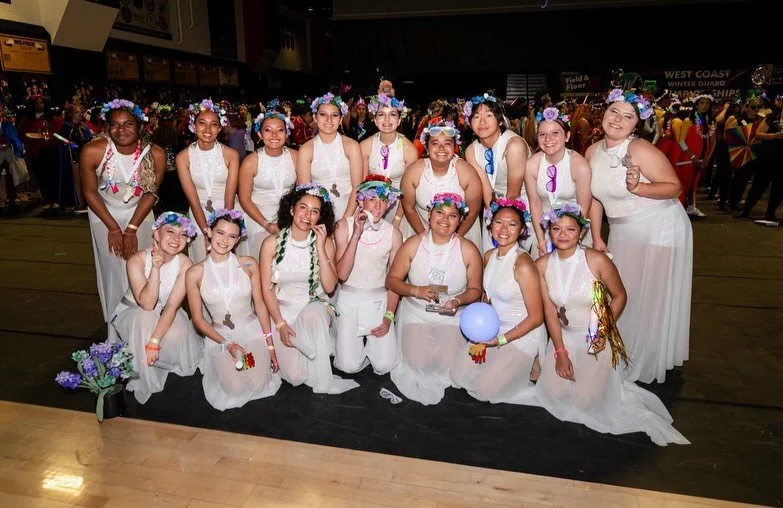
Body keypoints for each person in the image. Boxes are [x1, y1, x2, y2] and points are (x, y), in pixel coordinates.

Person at [533, 206, 689, 446]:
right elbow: (549, 313)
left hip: (595, 339)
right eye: (556, 229)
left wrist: (602, 331)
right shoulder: (542, 265)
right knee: (554, 395)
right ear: (549, 231)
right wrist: (560, 352)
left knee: (585, 402)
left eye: (570, 229)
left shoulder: (596, 260)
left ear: (582, 231)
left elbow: (620, 296)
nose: (563, 235)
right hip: (564, 338)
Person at [587, 88, 692, 384]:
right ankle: (625, 350)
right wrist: (597, 236)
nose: (618, 120)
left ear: (637, 123)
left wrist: (639, 189)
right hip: (622, 231)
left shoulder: (641, 150)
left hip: (659, 228)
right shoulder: (593, 151)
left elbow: (674, 187)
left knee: (651, 295)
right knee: (624, 292)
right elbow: (595, 200)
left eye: (627, 116)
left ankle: (649, 358)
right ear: (603, 114)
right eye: (613, 112)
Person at [259, 184, 359, 394]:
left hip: (314, 307)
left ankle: (318, 343)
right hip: (283, 311)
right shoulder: (270, 244)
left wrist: (321, 248)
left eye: (314, 211)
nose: (308, 215)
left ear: (320, 217)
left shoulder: (325, 243)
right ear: (292, 209)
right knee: (295, 377)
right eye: (303, 208)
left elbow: (330, 287)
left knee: (313, 313)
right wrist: (280, 324)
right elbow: (266, 290)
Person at [387, 193, 483, 405]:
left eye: (452, 215)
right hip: (417, 315)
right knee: (416, 366)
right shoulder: (413, 243)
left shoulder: (468, 249)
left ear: (459, 221)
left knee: (443, 368)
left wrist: (458, 300)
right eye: (439, 212)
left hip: (450, 316)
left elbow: (476, 289)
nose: (445, 219)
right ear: (429, 215)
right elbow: (392, 281)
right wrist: (416, 291)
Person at [450, 198, 546, 403]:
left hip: (521, 333)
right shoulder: (488, 256)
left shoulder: (523, 265)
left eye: (512, 224)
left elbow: (537, 318)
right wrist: (480, 334)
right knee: (458, 377)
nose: (504, 229)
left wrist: (501, 340)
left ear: (521, 230)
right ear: (490, 224)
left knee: (485, 391)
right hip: (493, 327)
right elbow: (487, 298)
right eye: (499, 222)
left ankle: (529, 364)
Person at [185, 209, 281, 410]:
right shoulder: (195, 273)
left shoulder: (248, 264)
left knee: (258, 383)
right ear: (209, 232)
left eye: (232, 236)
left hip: (252, 330)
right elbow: (198, 319)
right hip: (220, 337)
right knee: (235, 389)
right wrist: (228, 344)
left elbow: (261, 306)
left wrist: (271, 347)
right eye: (220, 232)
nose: (224, 240)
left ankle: (255, 362)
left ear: (238, 240)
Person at [80, 99, 165, 322]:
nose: (121, 130)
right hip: (103, 214)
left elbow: (150, 193)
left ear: (139, 126)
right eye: (115, 124)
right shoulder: (93, 150)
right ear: (108, 127)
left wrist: (131, 229)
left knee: (143, 268)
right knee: (113, 272)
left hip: (140, 214)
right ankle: (116, 328)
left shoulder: (155, 153)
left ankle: (146, 325)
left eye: (128, 124)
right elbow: (89, 192)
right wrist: (114, 228)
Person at [111, 212, 202, 404]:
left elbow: (171, 306)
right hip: (134, 312)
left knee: (178, 336)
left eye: (183, 234)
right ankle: (144, 372)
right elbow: (147, 303)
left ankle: (156, 354)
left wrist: (154, 341)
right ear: (156, 235)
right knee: (145, 316)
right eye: (170, 231)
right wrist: (155, 268)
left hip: (163, 311)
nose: (177, 239)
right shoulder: (136, 260)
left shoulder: (186, 264)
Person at [333, 176, 403, 374]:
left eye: (383, 200)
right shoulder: (343, 226)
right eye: (372, 198)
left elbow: (395, 280)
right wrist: (356, 233)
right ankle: (352, 346)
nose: (378, 205)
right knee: (349, 366)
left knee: (385, 365)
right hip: (349, 298)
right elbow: (342, 274)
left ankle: (372, 348)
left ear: (389, 204)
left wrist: (389, 315)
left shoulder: (394, 234)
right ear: (360, 200)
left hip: (378, 301)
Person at [462, 94, 533, 253]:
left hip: (522, 203)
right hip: (494, 206)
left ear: (500, 120)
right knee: (490, 257)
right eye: (476, 116)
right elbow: (486, 188)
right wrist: (493, 215)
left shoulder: (514, 145)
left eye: (489, 115)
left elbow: (513, 193)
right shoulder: (471, 151)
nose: (482, 122)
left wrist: (503, 221)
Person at [400, 117, 483, 248]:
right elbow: (408, 208)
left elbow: (473, 211)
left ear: (454, 147)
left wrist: (454, 240)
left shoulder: (467, 173)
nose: (441, 148)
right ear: (427, 147)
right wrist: (426, 239)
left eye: (447, 143)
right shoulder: (414, 172)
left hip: (461, 231)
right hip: (420, 229)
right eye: (435, 143)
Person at [176, 99, 240, 264]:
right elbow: (193, 199)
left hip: (228, 213)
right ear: (193, 126)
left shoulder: (231, 155)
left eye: (213, 124)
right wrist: (206, 231)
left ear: (219, 128)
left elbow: (229, 197)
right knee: (203, 263)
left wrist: (224, 230)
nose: (207, 129)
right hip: (199, 215)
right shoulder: (183, 157)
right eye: (202, 123)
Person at [525, 107, 594, 257]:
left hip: (575, 232)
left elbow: (584, 209)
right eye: (542, 134)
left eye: (555, 133)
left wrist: (572, 239)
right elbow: (535, 203)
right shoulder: (532, 164)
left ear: (567, 136)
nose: (548, 139)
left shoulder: (579, 165)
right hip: (544, 231)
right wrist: (541, 240)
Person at [238, 102, 298, 258]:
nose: (274, 136)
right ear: (259, 134)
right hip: (258, 220)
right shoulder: (250, 162)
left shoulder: (296, 157)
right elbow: (244, 199)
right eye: (268, 130)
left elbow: (302, 191)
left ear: (286, 134)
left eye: (280, 130)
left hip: (289, 218)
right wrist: (266, 224)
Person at [296, 93, 363, 220]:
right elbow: (305, 192)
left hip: (350, 209)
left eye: (334, 115)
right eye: (323, 115)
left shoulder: (352, 146)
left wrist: (345, 220)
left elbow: (357, 187)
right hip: (319, 213)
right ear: (315, 117)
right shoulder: (306, 149)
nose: (329, 120)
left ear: (341, 119)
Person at [362, 92, 418, 232]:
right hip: (372, 207)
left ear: (399, 120)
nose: (387, 119)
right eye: (381, 114)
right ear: (374, 120)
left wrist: (397, 220)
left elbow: (409, 192)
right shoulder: (365, 146)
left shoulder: (409, 150)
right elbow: (362, 186)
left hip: (401, 209)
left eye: (392, 114)